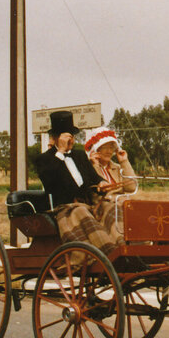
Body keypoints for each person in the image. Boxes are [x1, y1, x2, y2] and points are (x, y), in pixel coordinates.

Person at [34, 111, 126, 263]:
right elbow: (49, 182)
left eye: (72, 135)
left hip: (87, 205)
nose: (71, 139)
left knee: (112, 206)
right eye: (66, 136)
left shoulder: (79, 156)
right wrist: (61, 152)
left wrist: (102, 183)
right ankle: (108, 253)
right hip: (65, 209)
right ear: (56, 138)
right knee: (81, 210)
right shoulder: (44, 159)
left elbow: (93, 178)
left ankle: (123, 247)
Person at [85, 128, 138, 199]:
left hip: (119, 203)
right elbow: (100, 192)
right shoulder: (88, 168)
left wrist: (124, 161)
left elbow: (131, 188)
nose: (109, 151)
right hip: (102, 206)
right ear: (95, 150)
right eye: (105, 147)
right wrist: (96, 165)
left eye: (111, 147)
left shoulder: (117, 167)